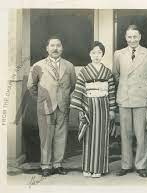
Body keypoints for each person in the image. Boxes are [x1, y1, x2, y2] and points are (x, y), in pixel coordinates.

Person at [27, 36, 76, 177]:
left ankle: (58, 164)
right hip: (45, 105)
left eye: (58, 45)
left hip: (62, 105)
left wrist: (63, 98)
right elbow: (31, 86)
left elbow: (72, 85)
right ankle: (46, 165)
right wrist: (42, 99)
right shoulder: (38, 65)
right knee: (46, 136)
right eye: (52, 46)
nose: (55, 48)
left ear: (62, 48)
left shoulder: (69, 66)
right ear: (47, 48)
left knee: (61, 135)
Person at [112, 24, 147, 177]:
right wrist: (125, 86)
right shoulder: (118, 54)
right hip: (124, 97)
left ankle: (141, 165)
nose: (132, 40)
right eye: (129, 37)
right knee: (125, 133)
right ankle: (126, 164)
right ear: (125, 38)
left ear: (140, 37)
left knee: (141, 133)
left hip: (141, 98)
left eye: (135, 37)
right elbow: (116, 75)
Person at [70, 41, 117, 178]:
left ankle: (99, 168)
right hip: (88, 105)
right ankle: (88, 167)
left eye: (99, 53)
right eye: (94, 53)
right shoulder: (84, 71)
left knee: (101, 136)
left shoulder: (107, 72)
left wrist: (112, 109)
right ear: (89, 54)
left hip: (103, 105)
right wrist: (81, 110)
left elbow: (112, 92)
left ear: (102, 54)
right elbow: (79, 90)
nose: (96, 55)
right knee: (88, 136)